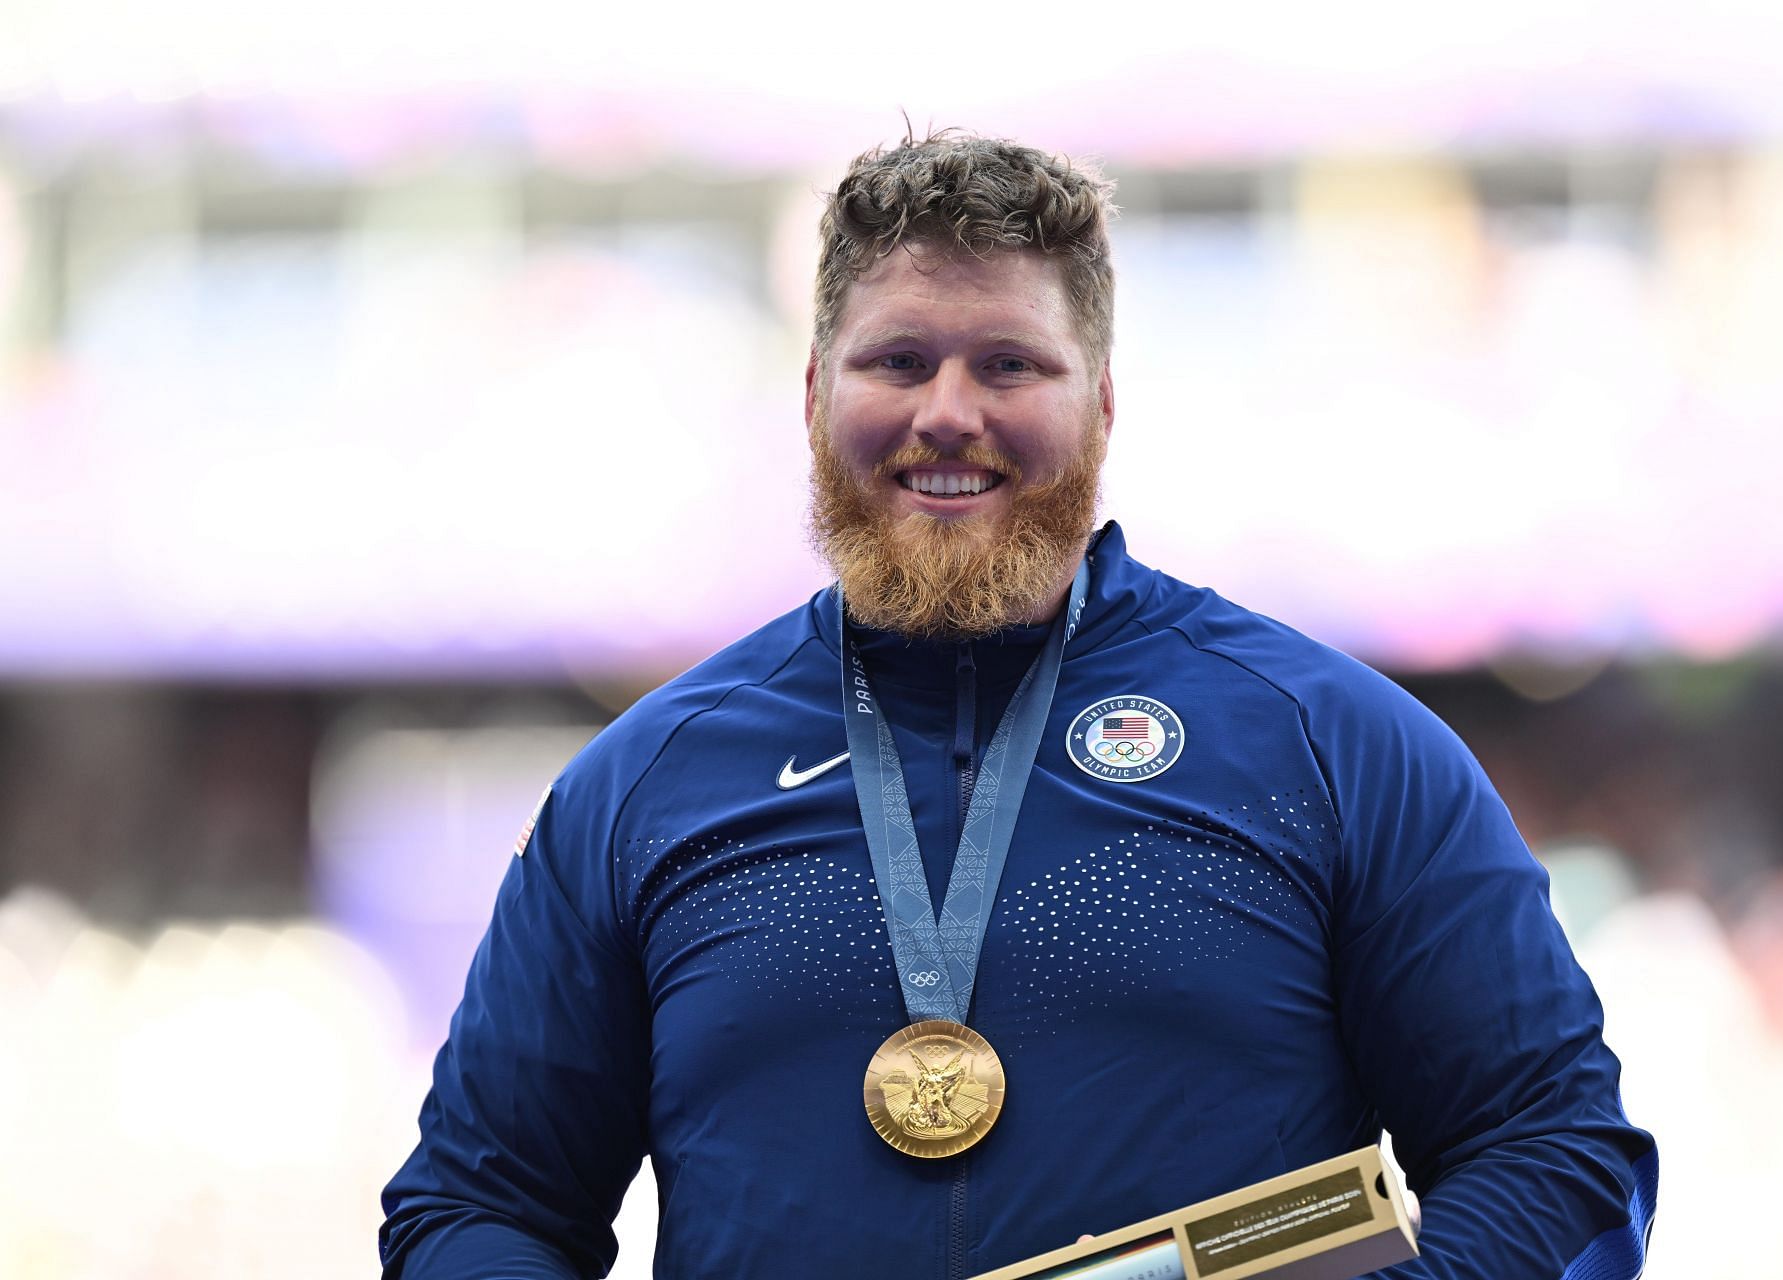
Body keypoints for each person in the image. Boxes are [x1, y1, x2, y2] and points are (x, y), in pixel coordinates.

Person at [380, 131, 1658, 1280]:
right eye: (899, 360)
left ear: (1099, 402)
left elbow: (1552, 1144)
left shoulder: (1334, 745)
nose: (949, 411)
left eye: (1009, 362)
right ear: (816, 394)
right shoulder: (645, 783)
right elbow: (475, 1204)